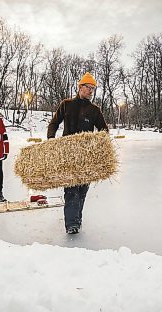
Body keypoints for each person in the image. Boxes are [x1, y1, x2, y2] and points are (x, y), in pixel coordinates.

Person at [47, 72, 109, 234]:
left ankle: (77, 218)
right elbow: (54, 123)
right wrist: (51, 139)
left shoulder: (94, 110)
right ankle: (72, 224)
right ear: (80, 87)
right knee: (71, 189)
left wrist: (100, 145)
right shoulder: (67, 104)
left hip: (86, 156)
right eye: (88, 87)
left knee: (82, 189)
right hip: (67, 154)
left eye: (93, 88)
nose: (91, 91)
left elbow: (104, 131)